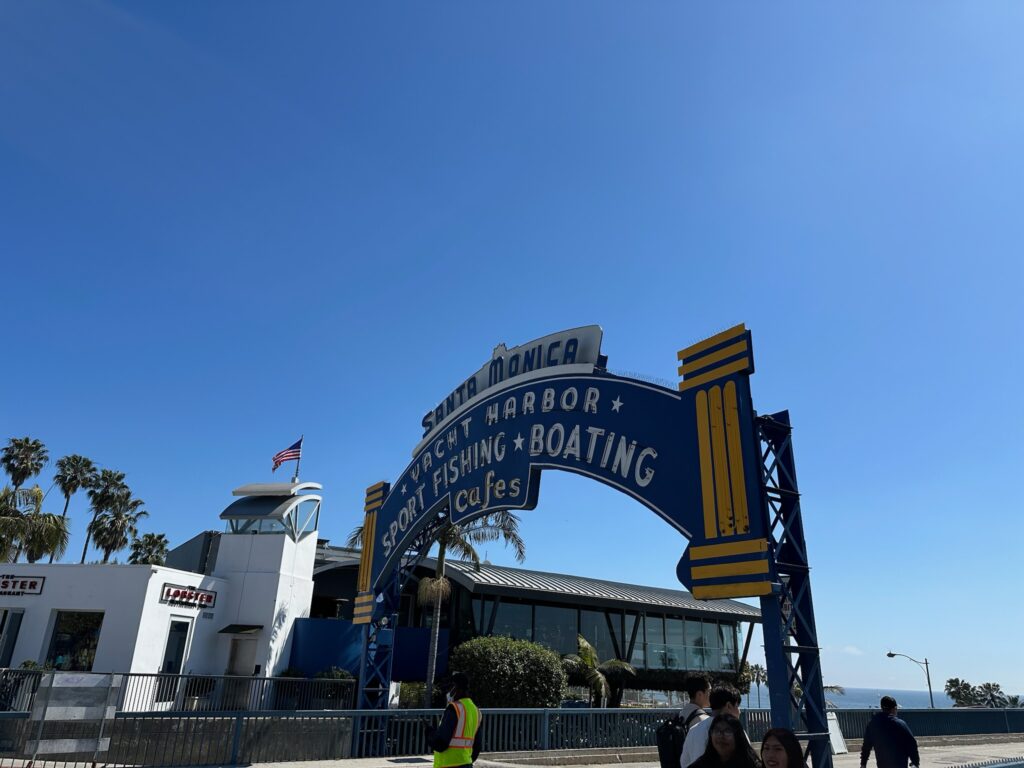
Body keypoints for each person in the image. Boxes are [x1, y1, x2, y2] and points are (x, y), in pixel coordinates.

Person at [426, 672, 483, 768]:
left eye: (449, 688)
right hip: (466, 763)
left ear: (456, 688)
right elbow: (477, 746)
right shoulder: (476, 711)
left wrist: (429, 732)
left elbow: (441, 744)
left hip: (448, 764)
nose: (448, 692)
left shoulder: (453, 708)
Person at [681, 685, 745, 768]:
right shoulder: (735, 731)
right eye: (737, 706)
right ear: (728, 705)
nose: (739, 711)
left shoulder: (693, 731)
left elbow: (684, 762)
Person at [860, 696, 920, 768]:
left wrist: (863, 764)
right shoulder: (900, 724)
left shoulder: (872, 724)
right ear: (894, 708)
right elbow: (912, 744)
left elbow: (866, 746)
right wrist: (915, 763)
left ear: (882, 708)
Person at [689, 714, 761, 768]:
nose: (721, 736)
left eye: (727, 731)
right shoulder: (700, 765)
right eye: (717, 731)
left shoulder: (752, 764)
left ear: (738, 736)